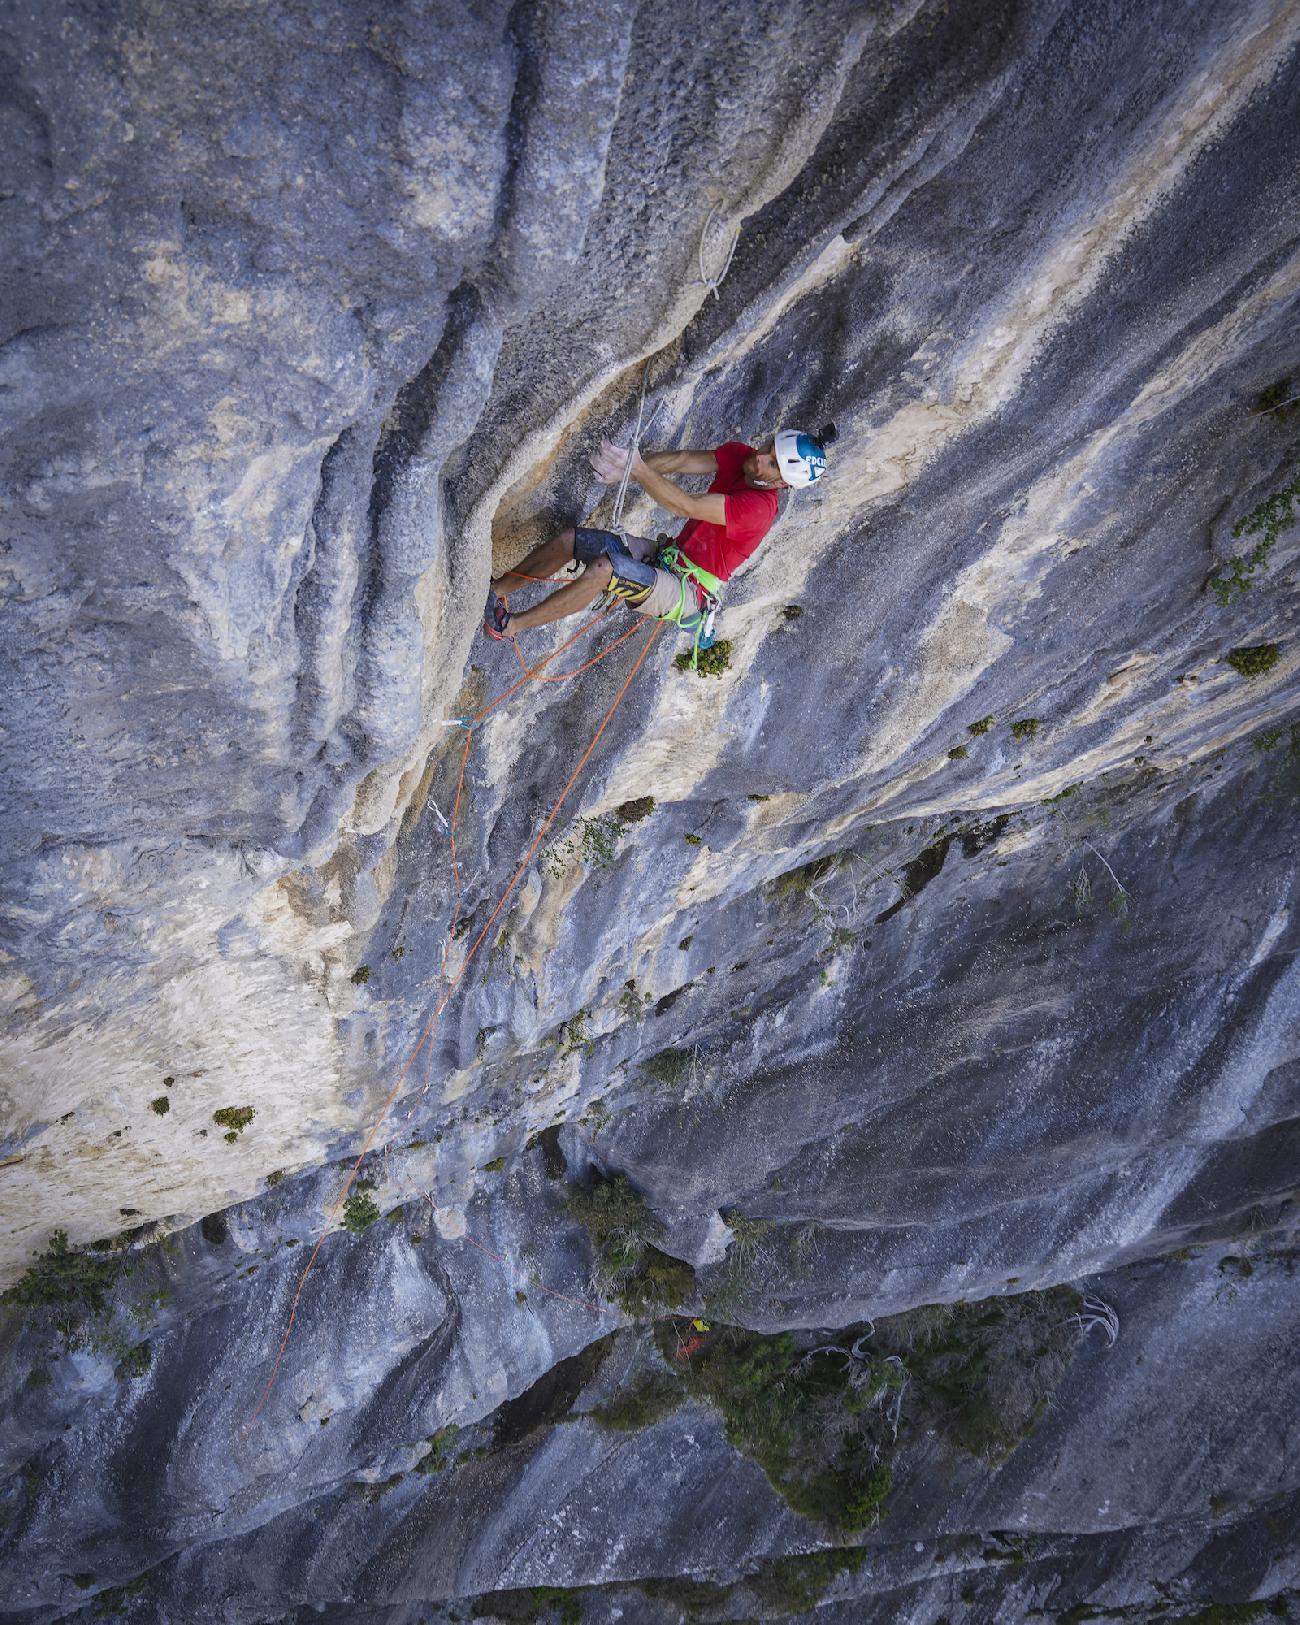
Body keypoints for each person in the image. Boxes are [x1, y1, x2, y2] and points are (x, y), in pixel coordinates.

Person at [483, 427, 833, 645]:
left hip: (688, 592)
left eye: (772, 464)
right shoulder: (744, 457)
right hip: (670, 558)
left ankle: (510, 626)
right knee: (572, 540)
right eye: (769, 448)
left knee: (605, 569)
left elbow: (685, 505)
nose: (761, 458)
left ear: (783, 483)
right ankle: (496, 591)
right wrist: (626, 469)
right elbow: (681, 460)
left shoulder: (758, 508)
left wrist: (636, 468)